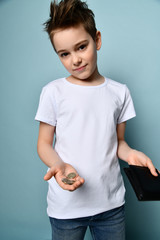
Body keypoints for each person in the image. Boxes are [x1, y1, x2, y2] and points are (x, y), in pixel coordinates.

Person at [35, 0, 158, 239]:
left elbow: (118, 142)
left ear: (97, 40)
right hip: (66, 207)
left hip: (111, 206)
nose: (75, 60)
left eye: (81, 47)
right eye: (64, 54)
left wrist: (132, 154)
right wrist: (58, 166)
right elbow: (43, 143)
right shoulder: (53, 92)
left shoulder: (119, 92)